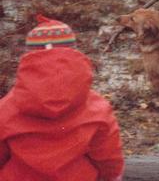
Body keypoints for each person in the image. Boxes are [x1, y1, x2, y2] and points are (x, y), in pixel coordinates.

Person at [0, 15, 124, 180]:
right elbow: (109, 159)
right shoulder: (97, 107)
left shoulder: (6, 108)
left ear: (29, 57)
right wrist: (112, 176)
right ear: (73, 53)